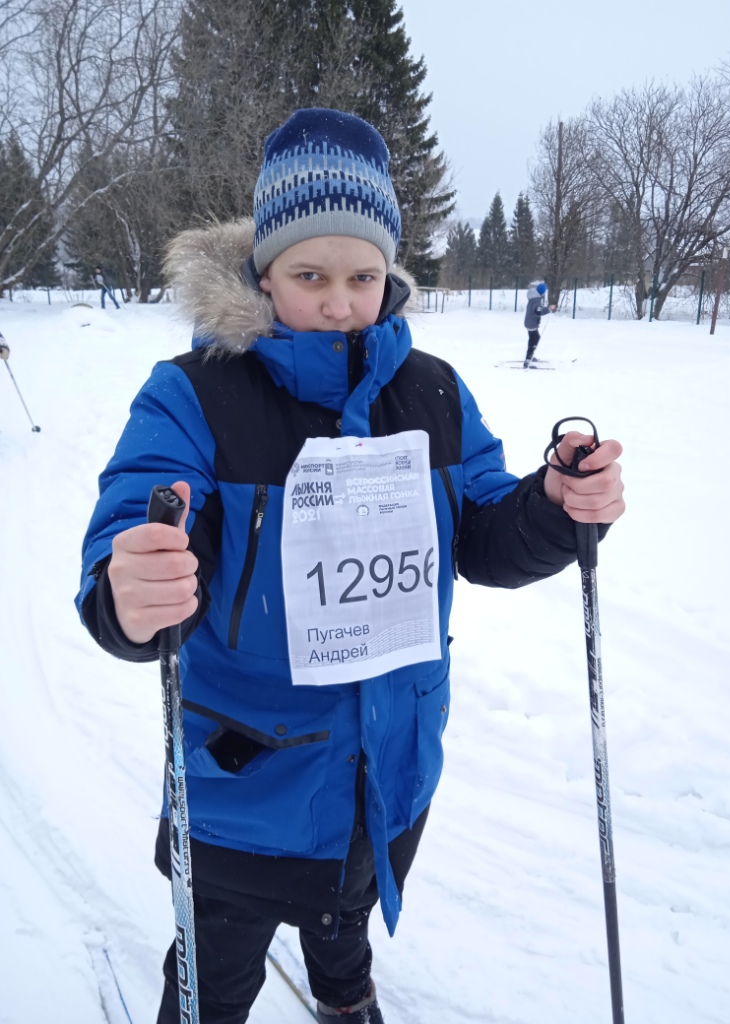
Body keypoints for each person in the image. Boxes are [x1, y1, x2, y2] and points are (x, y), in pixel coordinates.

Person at [76, 108, 625, 1024]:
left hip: (386, 761)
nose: (339, 303)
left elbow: (485, 531)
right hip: (245, 781)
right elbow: (142, 514)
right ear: (263, 272)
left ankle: (343, 992)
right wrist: (133, 587)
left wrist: (554, 506)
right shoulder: (195, 392)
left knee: (347, 909)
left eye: (363, 277)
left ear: (390, 274)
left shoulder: (432, 391)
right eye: (310, 276)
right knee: (217, 967)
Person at [523, 280, 556, 368]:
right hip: (532, 323)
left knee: (535, 338)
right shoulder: (536, 300)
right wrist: (549, 309)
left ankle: (530, 356)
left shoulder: (533, 298)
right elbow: (538, 311)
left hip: (530, 322)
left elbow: (537, 309)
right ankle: (528, 360)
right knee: (534, 340)